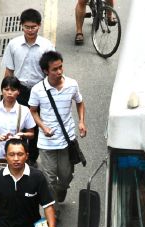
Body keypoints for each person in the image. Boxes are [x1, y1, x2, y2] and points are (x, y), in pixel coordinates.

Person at [29, 50, 86, 204]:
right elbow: (33, 111)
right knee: (49, 179)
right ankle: (53, 211)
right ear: (46, 71)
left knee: (66, 177)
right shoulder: (37, 90)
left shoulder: (72, 84)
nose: (59, 72)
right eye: (55, 69)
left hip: (66, 140)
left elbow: (79, 102)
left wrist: (81, 122)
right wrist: (43, 127)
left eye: (60, 67)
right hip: (46, 143)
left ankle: (61, 190)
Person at [2, 8, 54, 165]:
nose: (30, 30)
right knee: (19, 123)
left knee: (37, 125)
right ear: (21, 26)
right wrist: (5, 93)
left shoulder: (46, 46)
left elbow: (52, 71)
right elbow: (9, 71)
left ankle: (32, 157)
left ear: (39, 26)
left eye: (33, 27)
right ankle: (19, 154)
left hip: (40, 91)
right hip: (20, 90)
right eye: (27, 27)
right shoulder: (13, 45)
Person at [0, 76, 36, 167]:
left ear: (18, 92)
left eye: (13, 90)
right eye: (6, 89)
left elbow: (31, 134)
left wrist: (22, 134)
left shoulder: (24, 110)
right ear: (2, 91)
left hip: (18, 157)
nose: (9, 93)